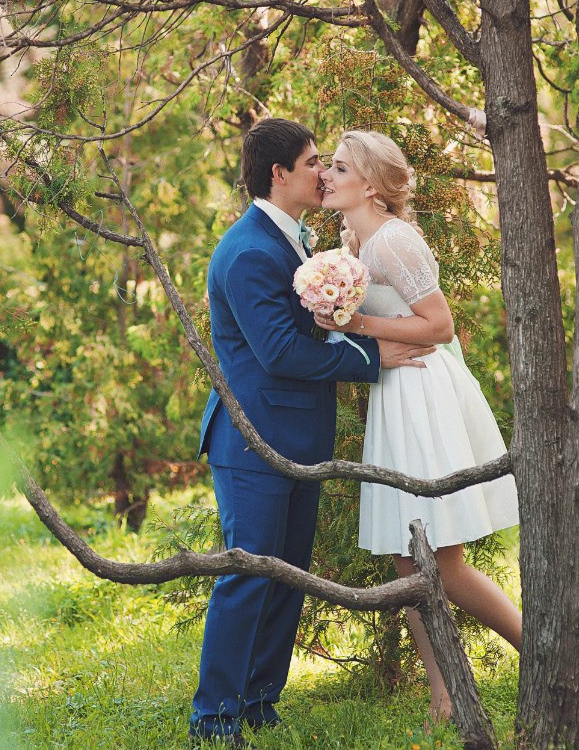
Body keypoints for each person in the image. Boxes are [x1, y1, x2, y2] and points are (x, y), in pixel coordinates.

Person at [192, 119, 434, 745]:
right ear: (279, 175)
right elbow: (278, 353)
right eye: (310, 163)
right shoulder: (249, 251)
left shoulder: (295, 242)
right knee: (248, 575)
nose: (321, 173)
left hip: (297, 439)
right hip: (253, 441)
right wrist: (370, 361)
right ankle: (213, 718)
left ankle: (259, 703)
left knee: (288, 573)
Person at [316, 129, 522, 722]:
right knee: (409, 562)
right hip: (394, 393)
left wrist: (357, 327)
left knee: (443, 559)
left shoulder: (395, 242)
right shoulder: (357, 238)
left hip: (423, 393)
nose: (326, 176)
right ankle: (444, 690)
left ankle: (538, 651)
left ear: (373, 185)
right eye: (327, 166)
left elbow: (438, 325)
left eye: (338, 167)